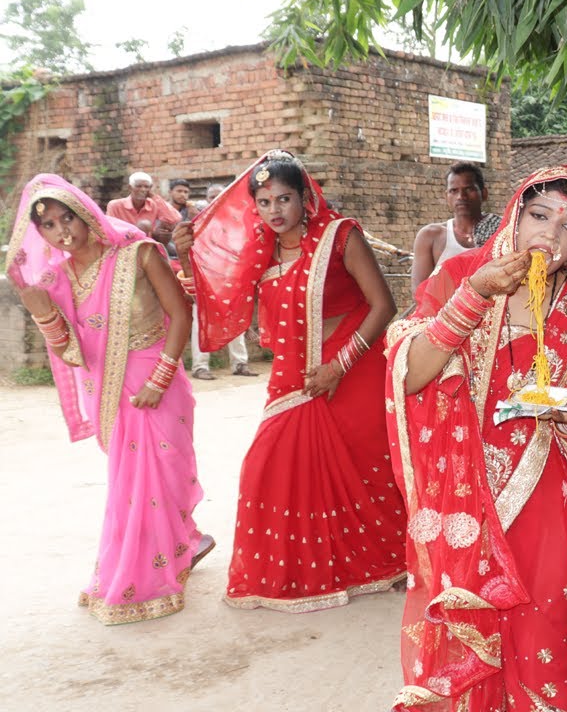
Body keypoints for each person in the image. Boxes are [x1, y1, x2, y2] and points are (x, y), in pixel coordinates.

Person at [384, 165, 567, 709]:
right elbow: (411, 375)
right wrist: (474, 295)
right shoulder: (462, 275)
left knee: (545, 642)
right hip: (467, 499)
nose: (549, 234)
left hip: (550, 500)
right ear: (516, 217)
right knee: (468, 641)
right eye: (539, 215)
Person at [174, 150, 407, 612]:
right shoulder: (261, 249)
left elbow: (383, 305)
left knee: (365, 470)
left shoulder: (341, 236)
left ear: (305, 197)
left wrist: (338, 366)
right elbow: (222, 302)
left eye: (284, 199)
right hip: (293, 373)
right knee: (266, 465)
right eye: (263, 202)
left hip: (353, 365)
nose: (275, 211)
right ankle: (301, 573)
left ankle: (389, 560)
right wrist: (184, 254)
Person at [6, 174, 213, 624]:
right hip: (110, 390)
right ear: (39, 235)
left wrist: (160, 378)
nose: (64, 231)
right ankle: (167, 553)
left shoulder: (136, 253)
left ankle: (175, 551)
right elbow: (69, 352)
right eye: (50, 226)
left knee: (166, 474)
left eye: (69, 218)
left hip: (158, 379)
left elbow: (180, 311)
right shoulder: (55, 279)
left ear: (86, 214)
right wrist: (43, 314)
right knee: (130, 484)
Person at [185, 182, 257, 380]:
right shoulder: (197, 221)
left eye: (219, 196)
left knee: (235, 317)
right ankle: (200, 367)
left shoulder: (234, 221)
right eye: (211, 197)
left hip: (228, 277)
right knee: (201, 322)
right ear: (206, 199)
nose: (215, 200)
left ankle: (240, 364)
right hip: (204, 278)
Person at [409, 162, 501, 290]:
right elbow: (419, 293)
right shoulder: (431, 236)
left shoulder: (501, 232)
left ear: (484, 193)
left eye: (469, 189)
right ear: (446, 196)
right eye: (454, 191)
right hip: (443, 309)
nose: (461, 196)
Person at [105, 171, 182, 240]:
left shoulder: (153, 205)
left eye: (146, 187)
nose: (143, 190)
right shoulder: (115, 205)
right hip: (123, 245)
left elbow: (174, 219)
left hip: (147, 247)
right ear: (130, 187)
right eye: (138, 186)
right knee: (144, 225)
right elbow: (110, 230)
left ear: (150, 188)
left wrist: (154, 197)